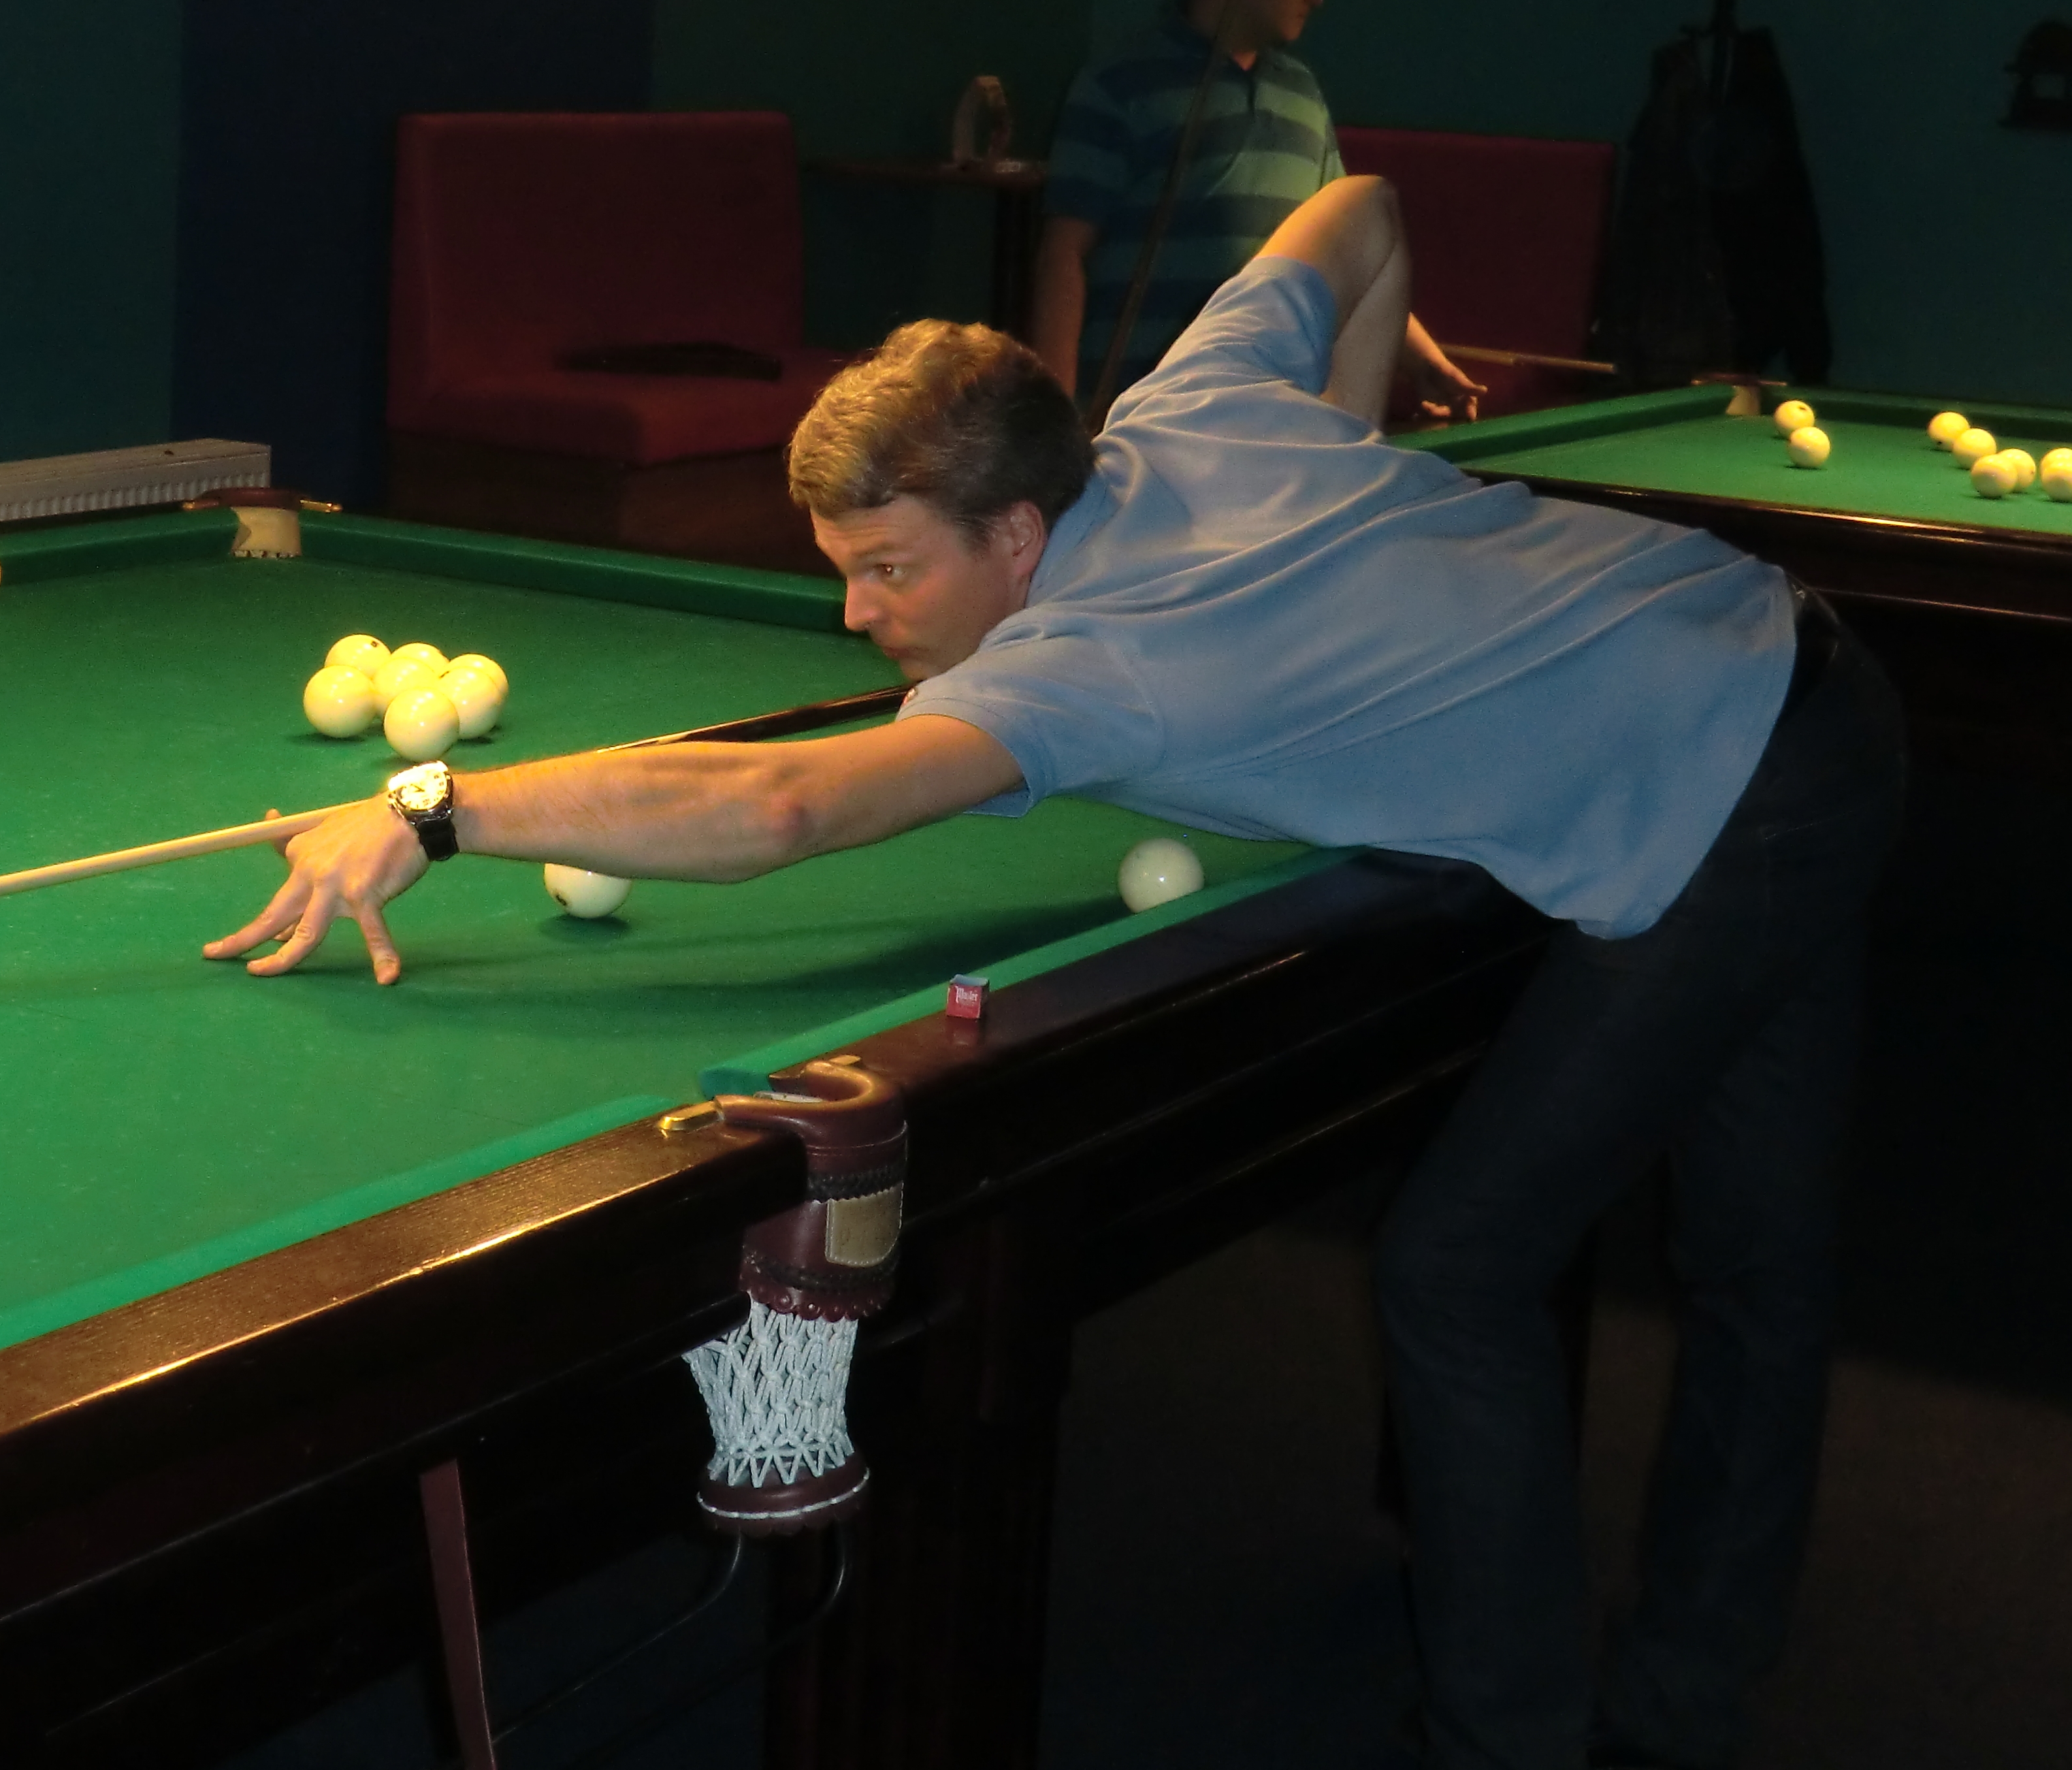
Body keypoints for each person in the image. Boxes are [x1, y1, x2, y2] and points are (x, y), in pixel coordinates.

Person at [210, 175, 1903, 1770]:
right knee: (1759, 1257)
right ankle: (1690, 1696)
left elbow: (786, 803)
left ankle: (1512, 1741)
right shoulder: (1188, 398)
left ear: (1020, 531)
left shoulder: (1091, 670)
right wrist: (1350, 498)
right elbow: (1367, 210)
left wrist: (434, 809)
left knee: (1463, 1269)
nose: (859, 614)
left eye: (891, 570)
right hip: (1775, 643)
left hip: (1738, 797)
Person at [1033, 0, 1480, 424]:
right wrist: (1054, 425)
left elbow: (1342, 252)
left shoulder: (1304, 95)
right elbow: (1063, 256)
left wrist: (1424, 361)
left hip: (1267, 420)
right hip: (1139, 421)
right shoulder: (1117, 86)